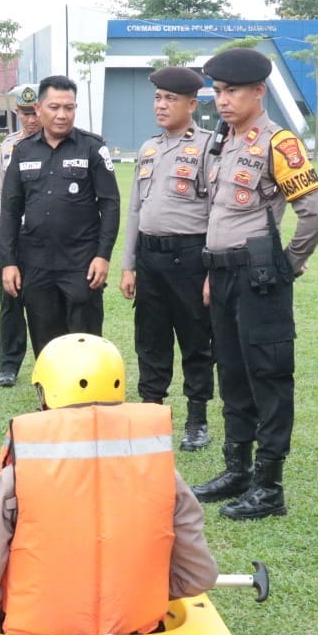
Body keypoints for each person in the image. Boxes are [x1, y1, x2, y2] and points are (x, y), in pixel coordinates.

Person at [0, 334, 219, 635]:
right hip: (136, 632)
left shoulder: (18, 475)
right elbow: (199, 575)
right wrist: (147, 595)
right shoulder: (161, 470)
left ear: (47, 392)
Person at [192, 48, 318, 521]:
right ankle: (237, 470)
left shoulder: (278, 143)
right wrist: (211, 273)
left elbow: (314, 215)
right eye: (219, 91)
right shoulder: (222, 141)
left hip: (259, 278)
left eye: (232, 91)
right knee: (230, 373)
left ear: (258, 92)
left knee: (267, 377)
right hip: (223, 275)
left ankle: (269, 485)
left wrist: (288, 264)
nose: (223, 100)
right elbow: (218, 213)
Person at [119, 66, 217, 451]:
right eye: (158, 98)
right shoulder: (148, 148)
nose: (161, 105)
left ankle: (197, 419)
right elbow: (134, 210)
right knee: (150, 339)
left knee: (196, 339)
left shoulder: (211, 147)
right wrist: (129, 264)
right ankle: (151, 413)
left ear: (192, 104)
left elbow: (217, 211)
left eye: (170, 99)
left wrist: (211, 269)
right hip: (149, 258)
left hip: (190, 258)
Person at [0, 75, 120, 354]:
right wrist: (8, 262)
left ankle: (86, 397)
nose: (62, 115)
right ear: (39, 109)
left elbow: (110, 204)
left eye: (69, 107)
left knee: (84, 339)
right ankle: (50, 398)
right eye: (54, 107)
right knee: (45, 340)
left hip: (82, 263)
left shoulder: (93, 148)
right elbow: (10, 209)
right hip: (36, 262)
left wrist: (103, 256)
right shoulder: (23, 151)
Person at [0, 83, 41, 387]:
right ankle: (8, 364)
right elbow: (0, 194)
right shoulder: (9, 146)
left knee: (42, 303)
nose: (31, 120)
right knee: (10, 302)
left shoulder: (55, 145)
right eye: (25, 113)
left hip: (43, 237)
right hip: (12, 235)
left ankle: (46, 364)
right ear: (16, 113)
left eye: (35, 113)